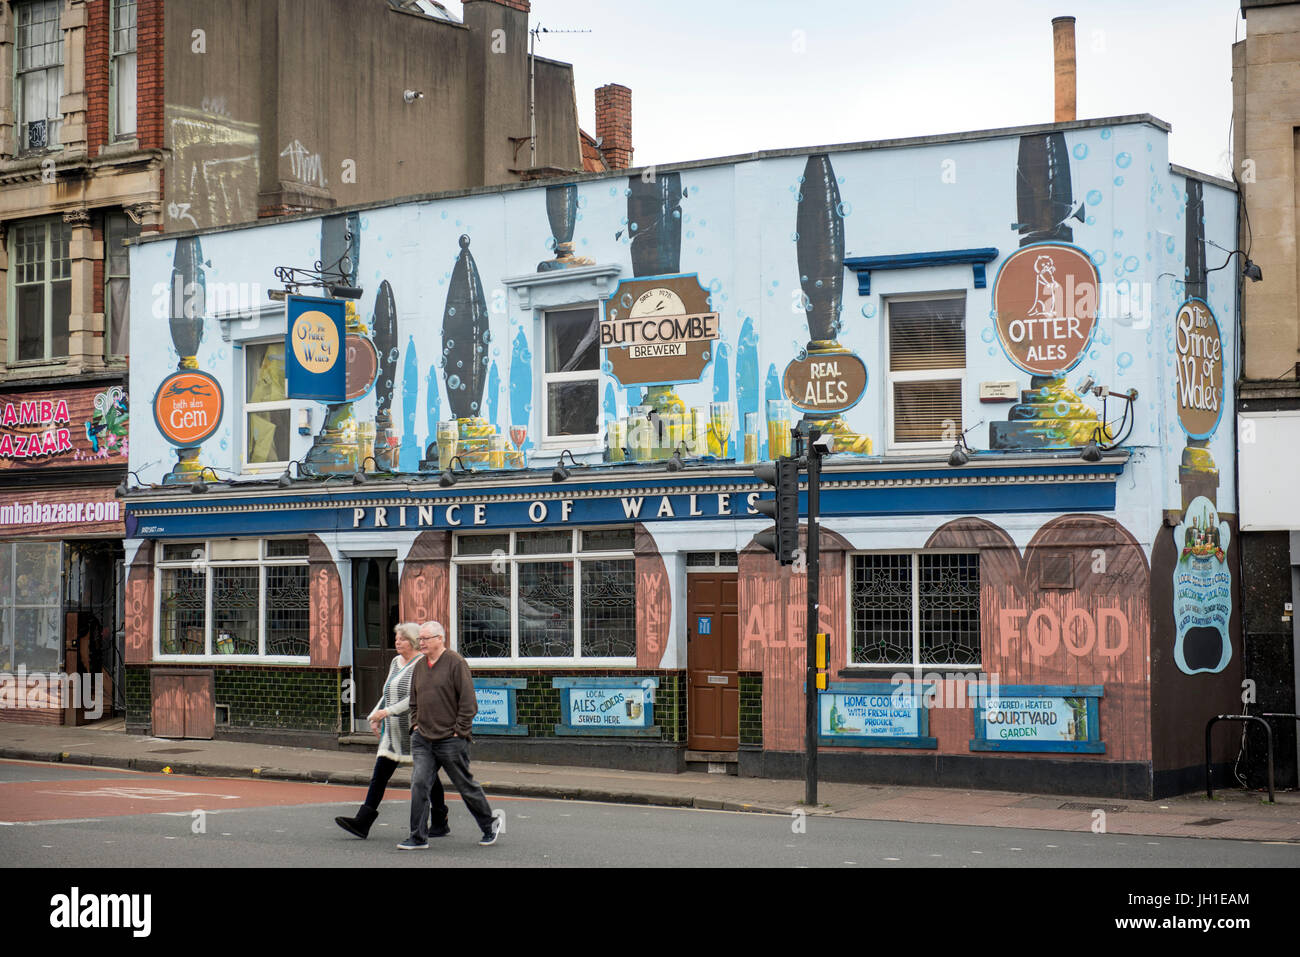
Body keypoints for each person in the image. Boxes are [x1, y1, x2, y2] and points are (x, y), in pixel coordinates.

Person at [335, 622, 448, 839]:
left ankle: (440, 819)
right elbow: (388, 691)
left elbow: (415, 698)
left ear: (414, 641)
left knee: (427, 778)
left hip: (416, 731)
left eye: (403, 638)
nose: (397, 641)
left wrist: (386, 712)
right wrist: (374, 716)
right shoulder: (396, 662)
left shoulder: (422, 664)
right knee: (379, 776)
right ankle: (363, 822)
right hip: (393, 733)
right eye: (396, 638)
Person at [399, 620, 500, 849]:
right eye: (419, 639)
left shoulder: (456, 663)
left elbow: (468, 703)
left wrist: (459, 731)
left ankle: (489, 825)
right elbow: (414, 700)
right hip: (423, 739)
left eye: (425, 639)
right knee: (419, 784)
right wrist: (414, 726)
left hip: (450, 739)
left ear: (439, 639)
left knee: (465, 785)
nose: (421, 643)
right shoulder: (420, 666)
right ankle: (417, 837)